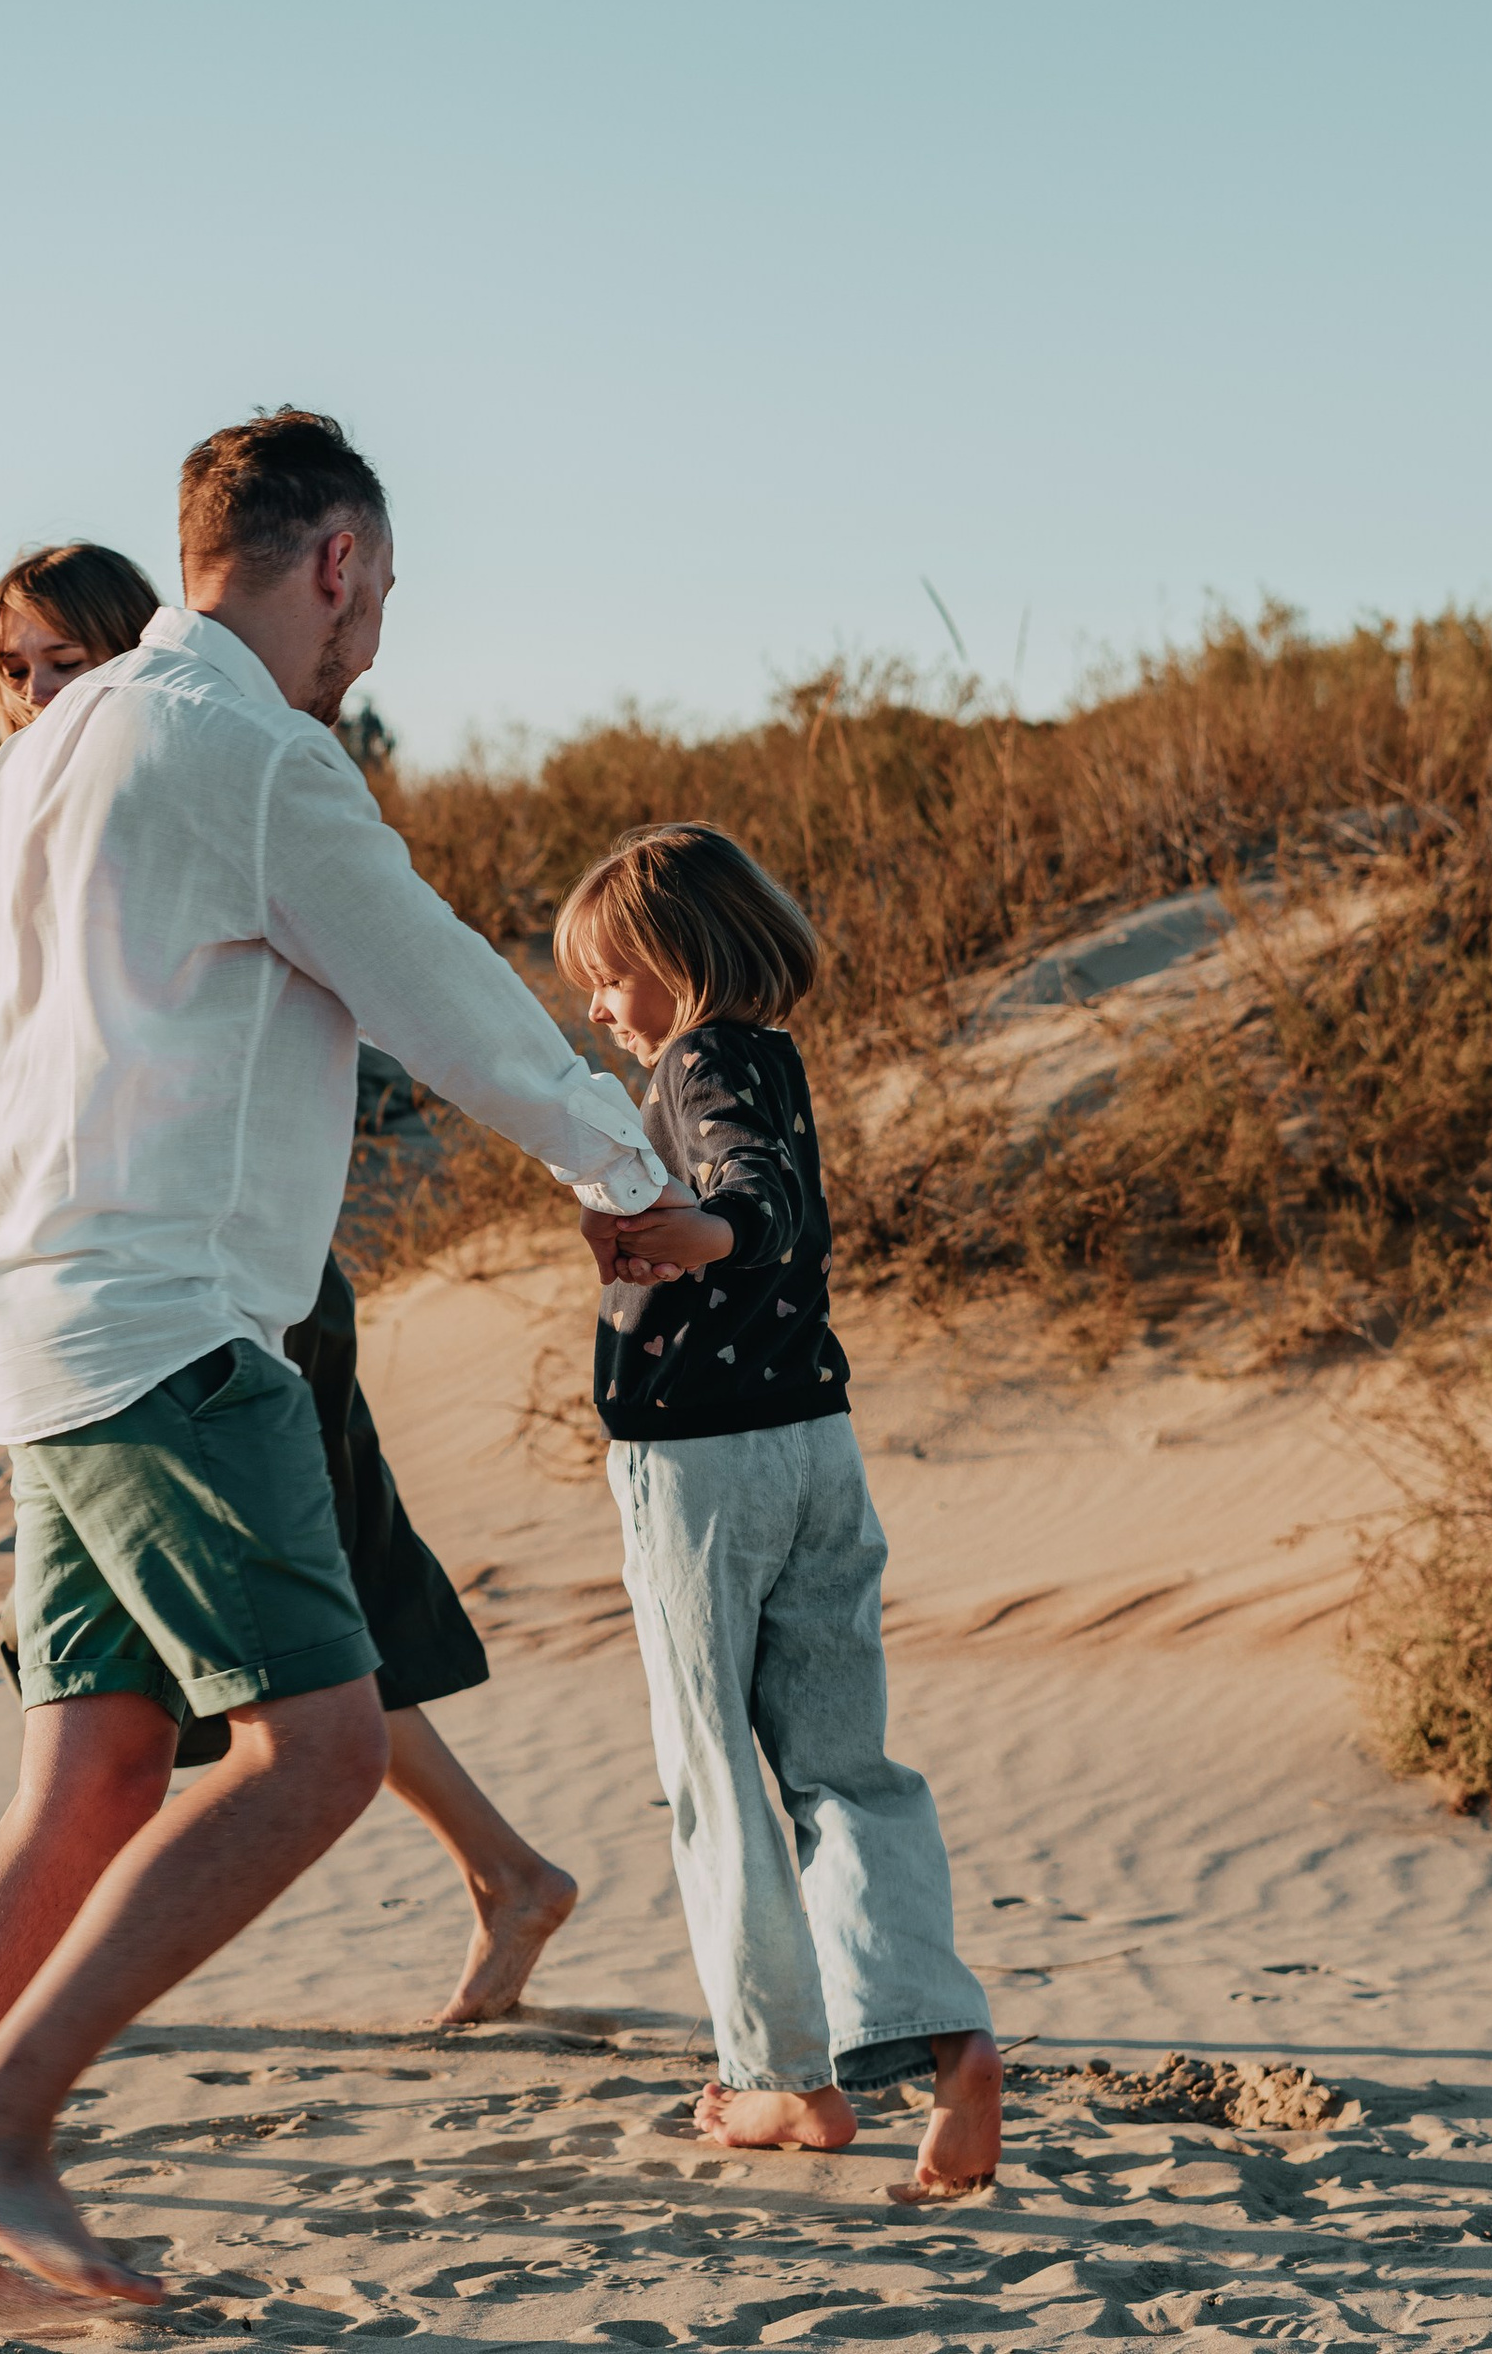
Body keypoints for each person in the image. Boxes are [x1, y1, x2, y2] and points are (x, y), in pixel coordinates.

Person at [0, 411, 677, 2307]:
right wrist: (632, 1170)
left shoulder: (51, 748)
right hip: (184, 1332)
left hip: (40, 1335)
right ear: (335, 561)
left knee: (91, 1780)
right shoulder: (259, 757)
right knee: (320, 1755)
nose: (375, 645)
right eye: (381, 597)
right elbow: (447, 993)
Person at [0, 540, 578, 2027]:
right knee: (238, 1681)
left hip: (207, 1297)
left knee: (296, 1667)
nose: (44, 685)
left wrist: (613, 1165)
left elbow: (377, 986)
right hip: (110, 1304)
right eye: (16, 665)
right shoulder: (52, 789)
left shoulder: (202, 761)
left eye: (71, 654)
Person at [556, 824, 1003, 2199]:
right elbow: (787, 1194)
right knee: (844, 1767)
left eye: (610, 975)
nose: (597, 1007)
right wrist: (719, 1225)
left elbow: (752, 1197)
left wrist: (698, 1235)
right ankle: (941, 2035)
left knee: (712, 1776)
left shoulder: (695, 1066)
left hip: (700, 1472)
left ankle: (779, 2078)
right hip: (816, 1448)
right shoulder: (774, 1056)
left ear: (676, 957)